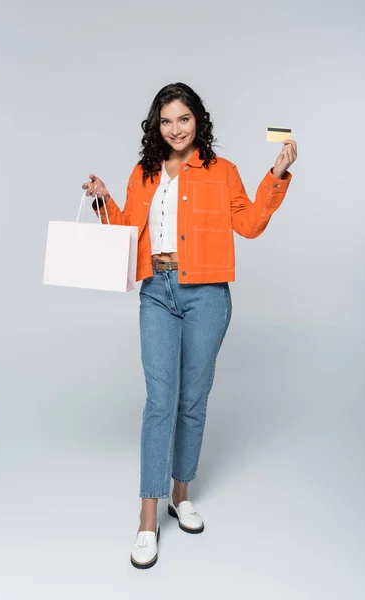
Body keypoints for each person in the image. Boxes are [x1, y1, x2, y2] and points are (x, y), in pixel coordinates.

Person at [82, 82, 297, 569]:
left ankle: (182, 493)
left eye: (183, 118)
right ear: (156, 126)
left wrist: (278, 174)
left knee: (192, 399)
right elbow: (123, 232)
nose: (175, 128)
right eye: (166, 120)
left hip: (206, 296)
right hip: (156, 292)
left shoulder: (223, 173)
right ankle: (146, 518)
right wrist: (102, 200)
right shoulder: (144, 173)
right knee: (160, 400)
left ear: (198, 120)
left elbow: (251, 224)